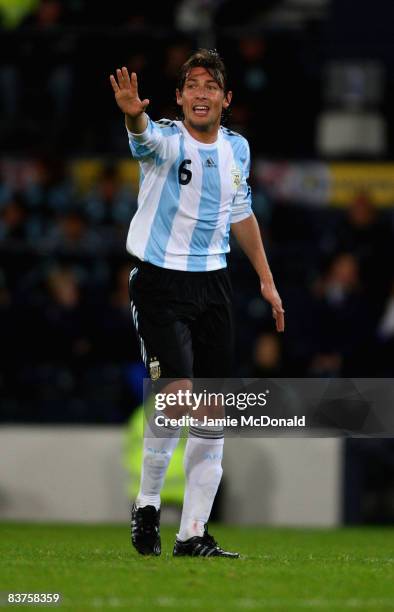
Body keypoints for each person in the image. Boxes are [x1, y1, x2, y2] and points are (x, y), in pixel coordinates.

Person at [109, 49, 284, 558]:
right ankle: (146, 505)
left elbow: (242, 214)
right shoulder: (164, 139)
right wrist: (131, 113)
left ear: (225, 99)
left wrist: (267, 281)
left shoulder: (237, 149)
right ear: (180, 97)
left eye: (211, 86)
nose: (202, 93)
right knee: (179, 392)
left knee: (212, 413)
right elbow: (142, 136)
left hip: (214, 285)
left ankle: (192, 535)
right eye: (193, 85)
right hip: (161, 283)